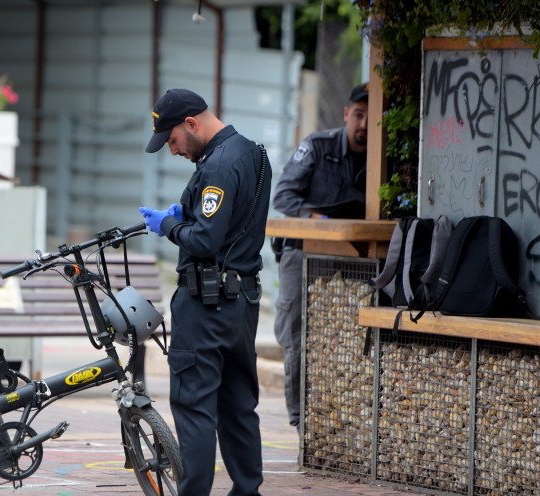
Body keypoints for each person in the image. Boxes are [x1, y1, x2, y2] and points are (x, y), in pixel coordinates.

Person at [139, 88, 270, 496]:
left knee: (194, 407)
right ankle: (247, 491)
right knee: (238, 406)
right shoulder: (252, 153)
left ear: (192, 123)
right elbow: (232, 223)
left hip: (205, 306)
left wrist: (168, 225)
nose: (173, 150)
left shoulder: (216, 166)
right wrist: (189, 214)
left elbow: (205, 240)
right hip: (241, 304)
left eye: (173, 140)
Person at [271, 82, 369, 432]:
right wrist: (320, 220)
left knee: (348, 341)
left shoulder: (381, 157)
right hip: (303, 253)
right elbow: (283, 197)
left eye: (370, 118)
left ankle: (341, 422)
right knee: (297, 337)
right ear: (346, 114)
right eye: (358, 115)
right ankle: (300, 422)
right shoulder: (317, 145)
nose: (363, 124)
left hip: (355, 261)